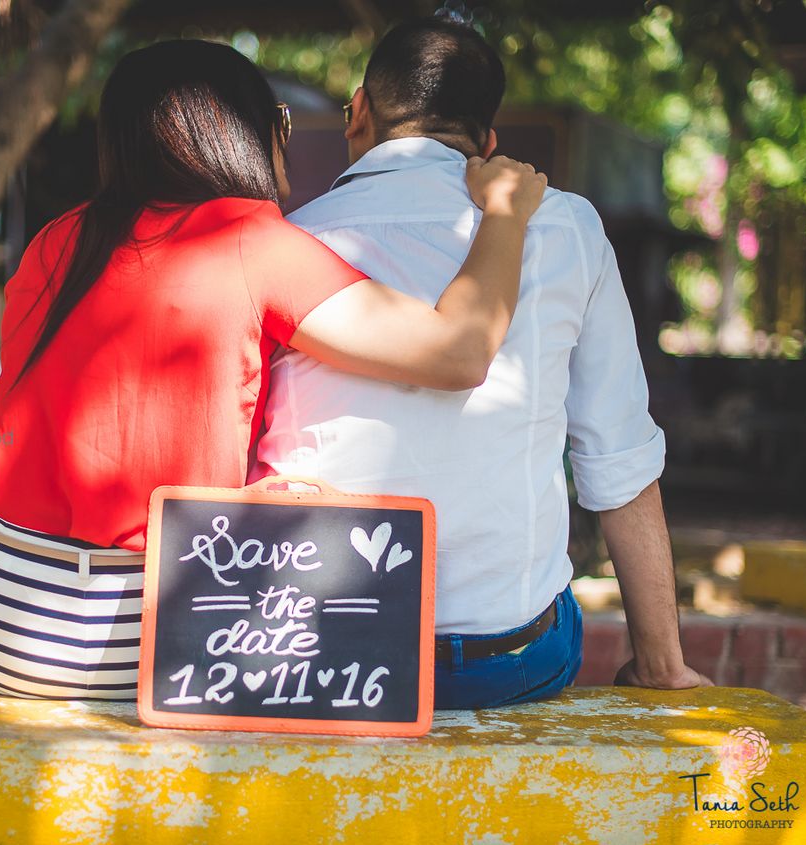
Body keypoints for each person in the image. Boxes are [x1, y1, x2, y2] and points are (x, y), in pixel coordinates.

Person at [0, 39, 547, 699]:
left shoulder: (57, 241)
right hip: (140, 628)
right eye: (279, 121)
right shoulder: (254, 243)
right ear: (248, 134)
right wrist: (506, 214)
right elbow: (457, 352)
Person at [254, 17, 713, 710]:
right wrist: (662, 666)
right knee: (543, 610)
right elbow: (618, 458)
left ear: (358, 112)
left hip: (322, 651)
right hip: (505, 661)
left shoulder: (288, 242)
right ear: (489, 142)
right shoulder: (566, 228)